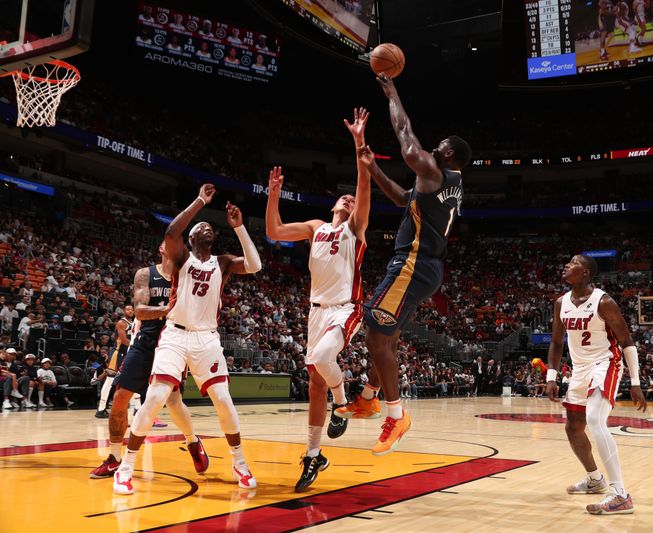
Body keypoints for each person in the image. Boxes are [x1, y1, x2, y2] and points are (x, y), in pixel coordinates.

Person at [335, 74, 471, 456]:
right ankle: (368, 396)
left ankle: (395, 415)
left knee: (376, 332)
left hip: (412, 262)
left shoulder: (434, 170)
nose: (432, 147)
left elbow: (405, 135)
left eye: (439, 146)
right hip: (426, 268)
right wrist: (373, 167)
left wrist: (391, 91)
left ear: (447, 155)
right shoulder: (445, 184)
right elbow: (400, 200)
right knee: (388, 334)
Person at [113, 184, 262, 495]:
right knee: (155, 398)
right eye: (200, 225)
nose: (206, 225)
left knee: (223, 400)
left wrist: (240, 227)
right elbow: (170, 232)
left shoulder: (222, 262)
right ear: (192, 238)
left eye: (210, 225)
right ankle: (126, 466)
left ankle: (239, 462)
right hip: (175, 336)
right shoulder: (182, 258)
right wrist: (200, 202)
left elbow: (255, 265)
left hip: (207, 339)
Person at [266, 107, 371, 491]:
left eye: (349, 198)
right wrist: (273, 195)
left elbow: (362, 189)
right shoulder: (316, 227)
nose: (346, 199)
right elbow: (274, 229)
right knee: (313, 382)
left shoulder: (356, 229)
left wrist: (359, 144)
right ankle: (314, 456)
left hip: (346, 307)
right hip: (315, 311)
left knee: (323, 360)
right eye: (340, 198)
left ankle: (343, 403)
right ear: (331, 207)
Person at [89, 242, 205, 480]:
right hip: (143, 343)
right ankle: (114, 457)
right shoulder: (145, 274)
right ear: (161, 248)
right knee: (121, 396)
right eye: (167, 240)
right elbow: (140, 311)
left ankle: (193, 442)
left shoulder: (186, 277)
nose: (170, 243)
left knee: (173, 402)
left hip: (172, 344)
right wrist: (169, 309)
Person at [546, 254, 647, 515]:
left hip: (606, 363)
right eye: (567, 262)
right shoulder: (560, 303)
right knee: (573, 427)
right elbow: (557, 343)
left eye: (574, 263)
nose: (567, 265)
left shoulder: (604, 302)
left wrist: (635, 382)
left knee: (594, 420)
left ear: (586, 273)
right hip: (580, 369)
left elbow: (627, 341)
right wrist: (551, 377)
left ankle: (620, 494)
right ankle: (595, 480)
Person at [96, 305, 134, 418]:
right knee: (109, 381)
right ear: (124, 311)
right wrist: (138, 345)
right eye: (128, 309)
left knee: (132, 379)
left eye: (132, 309)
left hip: (127, 353)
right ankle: (101, 409)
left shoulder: (135, 323)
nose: (130, 311)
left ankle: (136, 407)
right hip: (117, 353)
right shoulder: (121, 323)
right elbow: (124, 340)